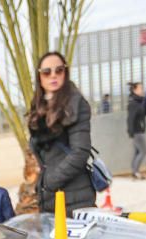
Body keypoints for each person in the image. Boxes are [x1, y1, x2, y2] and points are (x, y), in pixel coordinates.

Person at [27, 51, 95, 216]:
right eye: (46, 72)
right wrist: (43, 185)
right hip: (50, 197)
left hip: (75, 194)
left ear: (66, 72)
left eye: (59, 70)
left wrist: (49, 182)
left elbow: (80, 152)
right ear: (39, 77)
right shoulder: (39, 107)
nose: (53, 75)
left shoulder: (76, 103)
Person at [126, 81, 146, 180]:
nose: (142, 90)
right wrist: (131, 131)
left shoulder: (138, 101)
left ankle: (135, 172)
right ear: (134, 90)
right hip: (136, 131)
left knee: (137, 151)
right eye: (140, 88)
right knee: (143, 151)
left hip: (138, 130)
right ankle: (135, 172)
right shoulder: (133, 103)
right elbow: (130, 118)